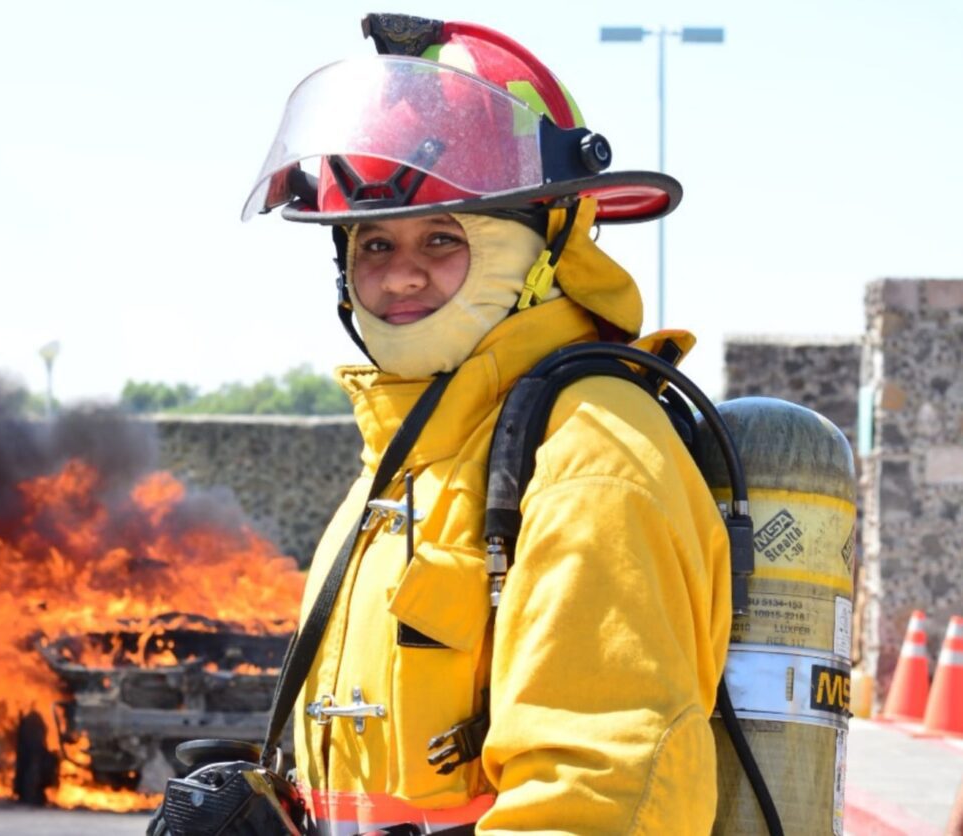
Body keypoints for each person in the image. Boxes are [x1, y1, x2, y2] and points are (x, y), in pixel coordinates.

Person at [238, 13, 732, 834]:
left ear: (543, 247)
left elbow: (597, 796)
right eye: (372, 246)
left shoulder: (591, 452)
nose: (400, 277)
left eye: (441, 237)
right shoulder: (410, 452)